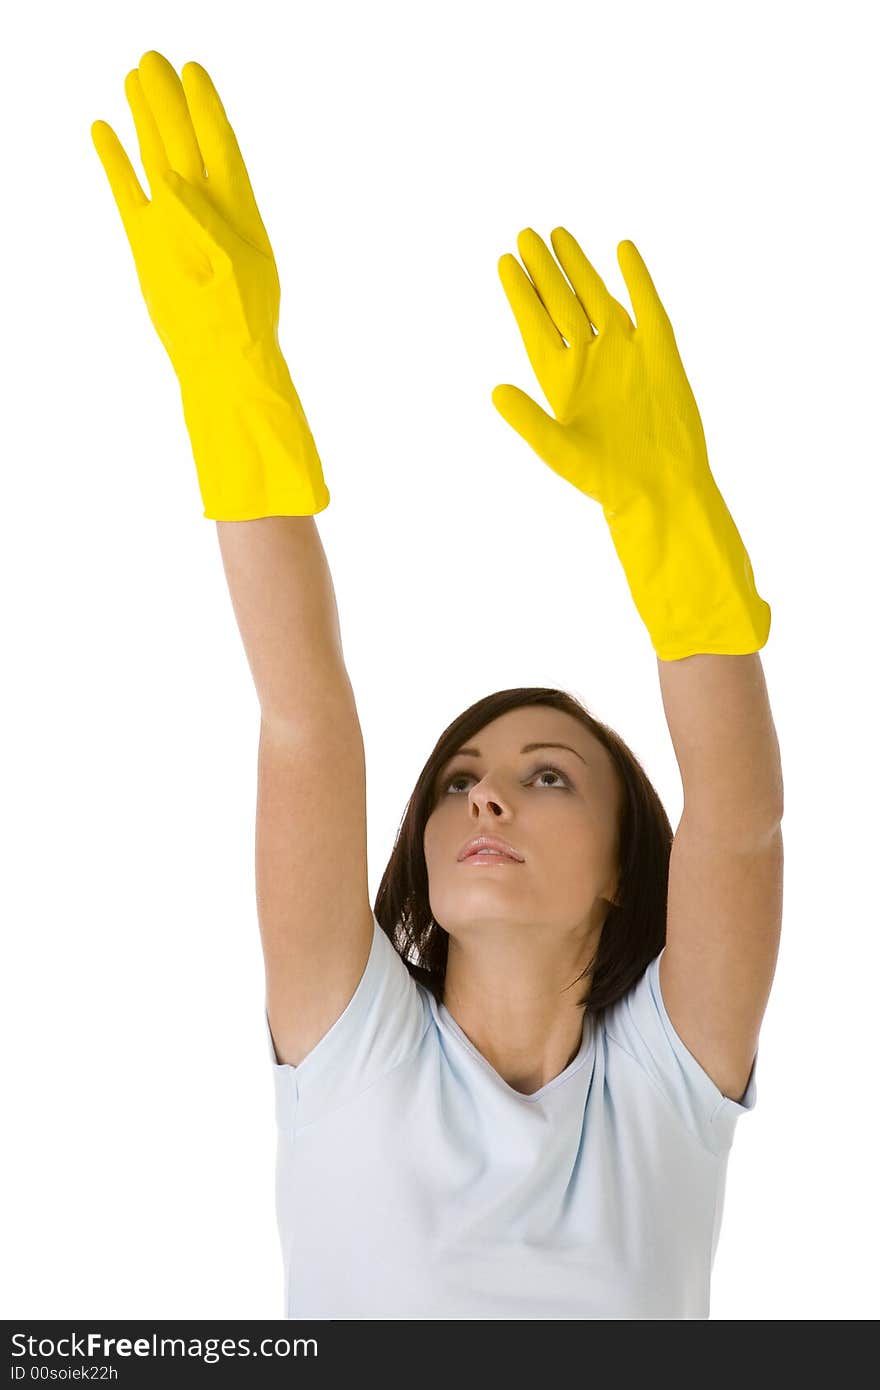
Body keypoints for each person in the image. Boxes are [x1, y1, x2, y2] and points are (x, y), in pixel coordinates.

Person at [91, 50, 784, 1320]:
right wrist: (232, 380)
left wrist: (670, 516)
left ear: (631, 865)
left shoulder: (664, 1095)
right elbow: (304, 717)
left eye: (545, 775)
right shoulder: (348, 1042)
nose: (486, 800)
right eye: (460, 779)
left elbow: (737, 811)